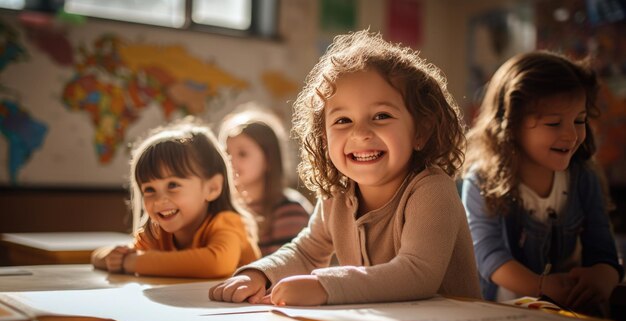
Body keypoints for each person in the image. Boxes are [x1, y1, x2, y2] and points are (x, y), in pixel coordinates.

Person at [209, 30, 481, 306]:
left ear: (421, 131)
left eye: (381, 116)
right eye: (342, 121)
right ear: (323, 137)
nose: (360, 133)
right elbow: (305, 253)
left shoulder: (432, 189)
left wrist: (325, 286)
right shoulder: (336, 195)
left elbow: (417, 273)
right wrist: (260, 274)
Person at [461, 51, 624, 314]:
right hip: (502, 314)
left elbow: (602, 249)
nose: (571, 135)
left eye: (579, 120)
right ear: (511, 125)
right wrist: (542, 285)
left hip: (569, 313)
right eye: (553, 123)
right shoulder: (482, 180)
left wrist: (604, 277)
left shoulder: (583, 177)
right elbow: (487, 256)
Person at [91, 118, 261, 278]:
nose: (159, 200)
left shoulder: (227, 223)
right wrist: (113, 258)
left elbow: (216, 263)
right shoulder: (158, 233)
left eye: (173, 185)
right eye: (149, 189)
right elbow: (98, 257)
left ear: (212, 188)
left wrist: (132, 262)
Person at [218, 103, 313, 256]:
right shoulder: (223, 209)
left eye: (242, 154)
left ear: (268, 159)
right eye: (226, 153)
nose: (231, 161)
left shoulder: (290, 210)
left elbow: (284, 269)